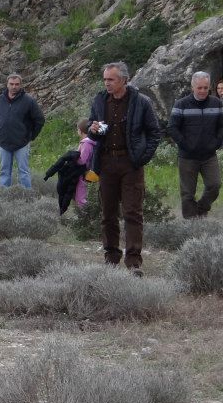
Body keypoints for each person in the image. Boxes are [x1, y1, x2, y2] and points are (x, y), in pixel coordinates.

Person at [87, 61, 161, 273]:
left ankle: (133, 262)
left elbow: (155, 132)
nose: (107, 83)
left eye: (111, 79)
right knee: (108, 214)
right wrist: (93, 129)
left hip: (131, 164)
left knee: (132, 213)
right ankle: (111, 258)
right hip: (106, 163)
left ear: (124, 80)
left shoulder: (141, 102)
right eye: (105, 79)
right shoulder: (100, 100)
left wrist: (141, 158)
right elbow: (92, 129)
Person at [167, 71, 223, 219]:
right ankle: (190, 224)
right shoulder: (181, 104)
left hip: (209, 156)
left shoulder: (217, 104)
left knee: (215, 185)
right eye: (199, 88)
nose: (203, 91)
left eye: (205, 87)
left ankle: (200, 209)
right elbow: (172, 127)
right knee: (187, 193)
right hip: (187, 156)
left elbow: (221, 126)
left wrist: (217, 142)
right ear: (192, 87)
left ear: (209, 86)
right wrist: (185, 144)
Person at [0, 73, 45, 188]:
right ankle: (3, 195)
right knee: (4, 171)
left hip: (22, 143)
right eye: (11, 84)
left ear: (20, 85)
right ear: (7, 84)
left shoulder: (29, 101)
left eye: (16, 84)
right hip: (4, 142)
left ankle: (27, 195)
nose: (14, 86)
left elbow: (40, 120)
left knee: (23, 172)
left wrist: (31, 136)